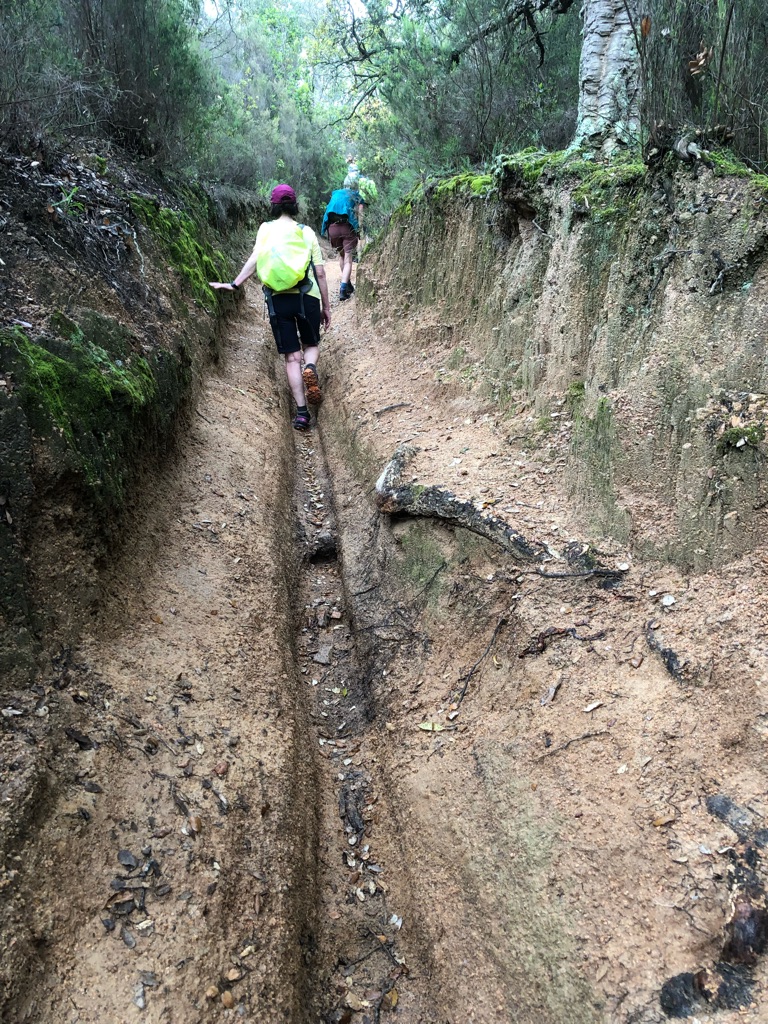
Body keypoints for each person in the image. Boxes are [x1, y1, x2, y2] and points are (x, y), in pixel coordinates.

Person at [209, 184, 330, 432]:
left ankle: (302, 414)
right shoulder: (306, 232)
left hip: (278, 299)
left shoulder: (265, 229)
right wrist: (326, 306)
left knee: (292, 357)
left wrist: (234, 283)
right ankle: (310, 367)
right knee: (311, 345)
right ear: (294, 206)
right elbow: (320, 273)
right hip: (308, 296)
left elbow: (255, 258)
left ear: (273, 206)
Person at [321, 185, 365, 301]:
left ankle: (348, 284)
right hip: (347, 228)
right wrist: (360, 228)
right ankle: (343, 289)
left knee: (342, 255)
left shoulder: (336, 193)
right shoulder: (355, 194)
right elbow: (360, 211)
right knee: (348, 258)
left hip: (333, 229)